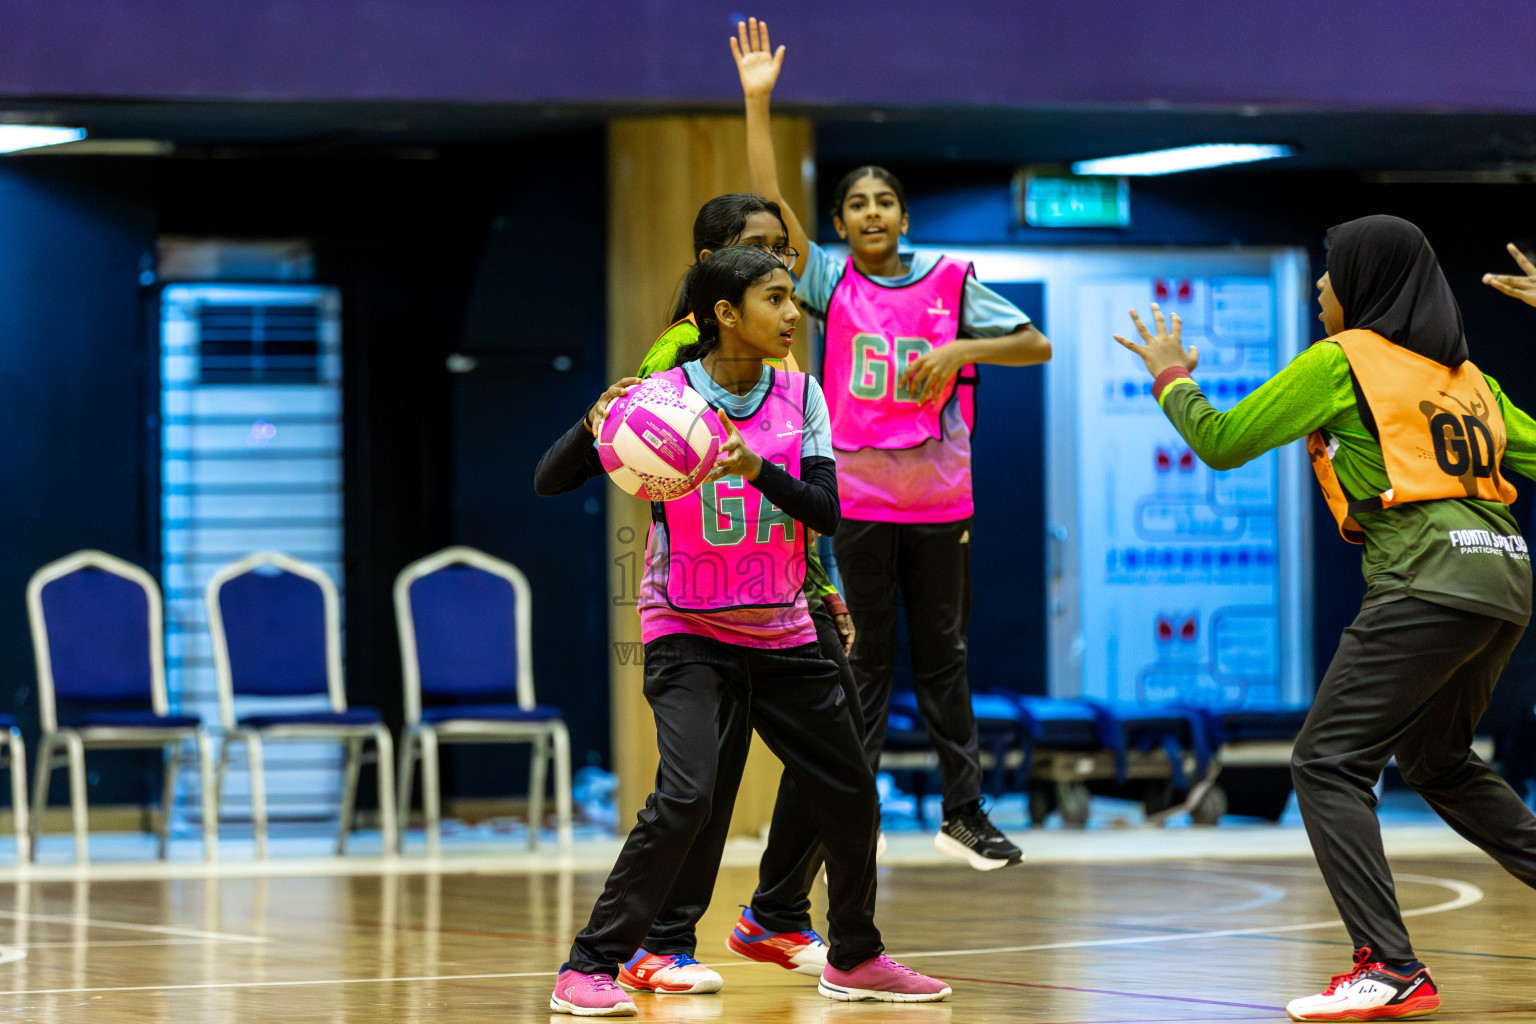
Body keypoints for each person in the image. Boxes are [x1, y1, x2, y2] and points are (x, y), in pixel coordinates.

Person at [1115, 215, 1536, 1022]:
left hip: (1429, 578)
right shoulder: (1468, 379)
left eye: (1330, 267)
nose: (1318, 284)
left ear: (1368, 283)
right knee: (1439, 761)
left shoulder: (1341, 361)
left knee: (1326, 762)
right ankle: (1393, 960)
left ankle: (1389, 965)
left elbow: (1225, 439)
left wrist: (1171, 378)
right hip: (1506, 578)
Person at [538, 246, 950, 1015]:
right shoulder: (660, 400)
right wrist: (592, 416)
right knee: (687, 798)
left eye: (794, 298)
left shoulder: (801, 395)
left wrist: (755, 468)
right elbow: (551, 479)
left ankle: (854, 957)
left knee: (854, 790)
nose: (793, 313)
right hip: (687, 630)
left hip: (784, 630)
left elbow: (826, 511)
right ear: (725, 314)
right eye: (774, 299)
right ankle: (589, 964)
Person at [732, 17, 1051, 869]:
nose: (871, 213)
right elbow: (770, 211)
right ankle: (853, 809)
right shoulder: (829, 283)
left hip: (942, 497)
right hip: (862, 501)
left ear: (903, 216)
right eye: (856, 204)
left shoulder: (951, 282)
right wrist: (759, 105)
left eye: (884, 201)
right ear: (838, 224)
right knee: (865, 663)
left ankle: (964, 812)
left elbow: (1036, 345)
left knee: (944, 657)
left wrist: (960, 349)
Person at [619, 194, 876, 995]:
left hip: (786, 594)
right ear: (717, 283)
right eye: (763, 252)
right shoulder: (674, 363)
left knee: (836, 761)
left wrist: (822, 581)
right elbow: (665, 488)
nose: (787, 271)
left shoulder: (788, 376)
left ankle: (776, 913)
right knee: (706, 779)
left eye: (786, 252)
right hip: (702, 603)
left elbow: (805, 497)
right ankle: (661, 939)